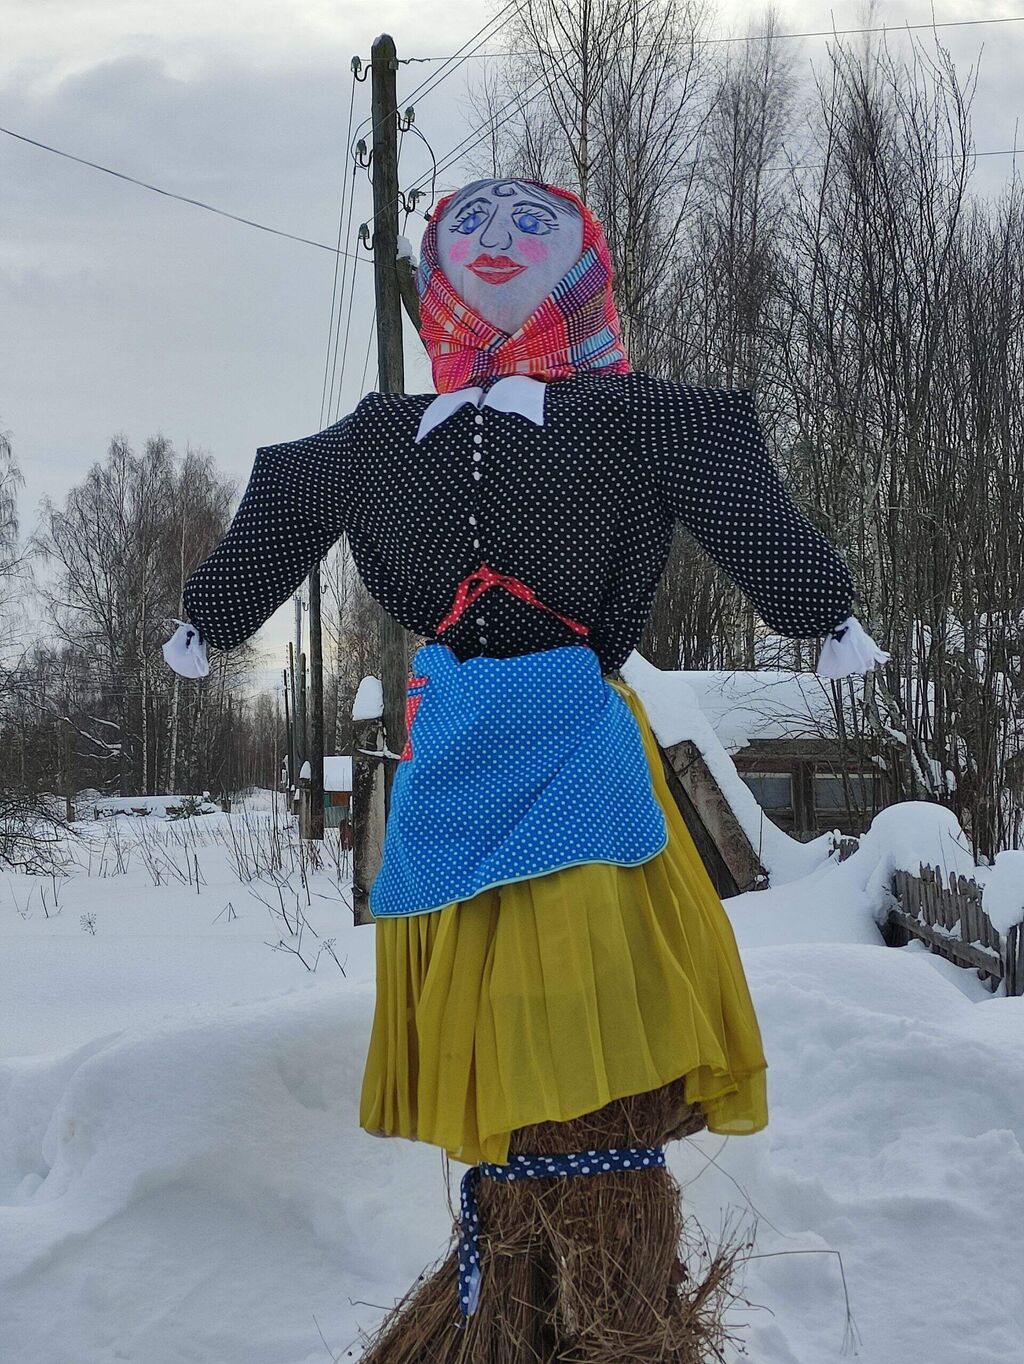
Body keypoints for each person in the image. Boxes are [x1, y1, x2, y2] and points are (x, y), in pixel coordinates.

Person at [164, 177, 887, 1359]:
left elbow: (728, 471)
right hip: (452, 757)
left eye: (529, 227)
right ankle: (515, 1285)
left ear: (582, 266)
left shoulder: (637, 417)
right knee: (498, 1033)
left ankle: (605, 1295)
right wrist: (213, 610)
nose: (498, 241)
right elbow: (290, 493)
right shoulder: (383, 435)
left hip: (575, 753)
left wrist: (818, 604)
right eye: (472, 228)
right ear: (436, 271)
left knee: (592, 1004)